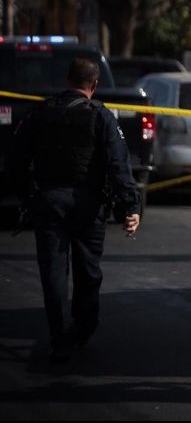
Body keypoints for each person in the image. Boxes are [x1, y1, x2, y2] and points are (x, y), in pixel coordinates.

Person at [10, 57, 142, 363]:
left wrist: (26, 195)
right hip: (88, 205)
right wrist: (130, 207)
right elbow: (118, 164)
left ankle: (57, 334)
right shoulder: (101, 116)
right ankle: (82, 329)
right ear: (94, 85)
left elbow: (16, 159)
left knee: (53, 273)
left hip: (49, 202)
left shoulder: (41, 112)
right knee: (88, 271)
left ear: (67, 80)